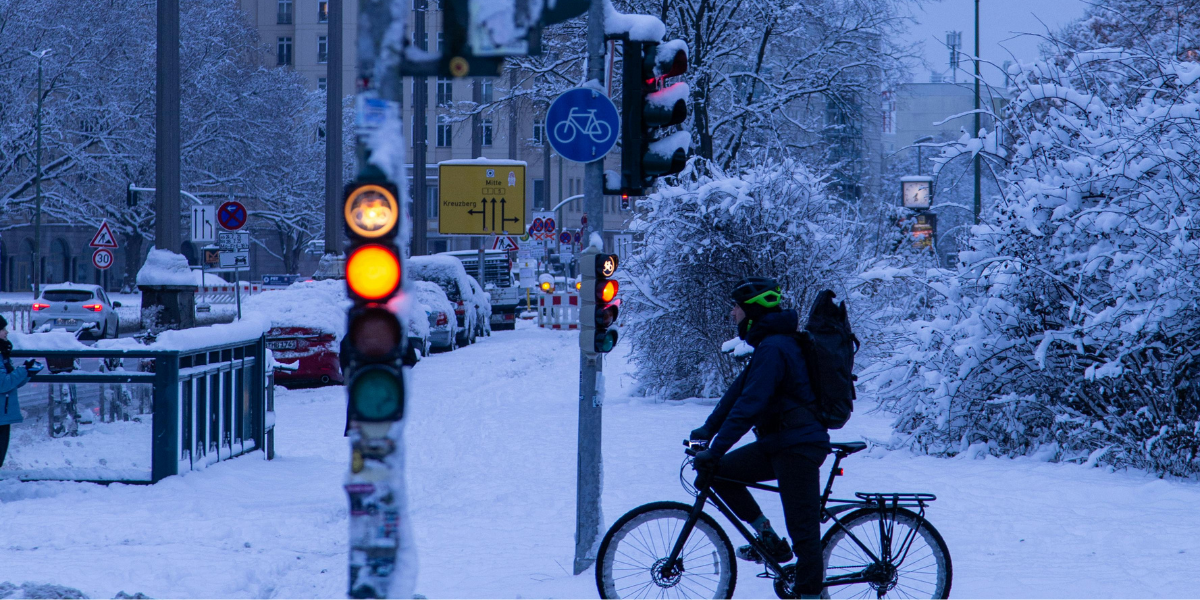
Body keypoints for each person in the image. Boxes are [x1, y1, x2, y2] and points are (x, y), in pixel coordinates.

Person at [689, 277, 830, 598]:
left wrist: (717, 447)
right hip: (781, 443)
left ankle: (808, 593)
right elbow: (737, 395)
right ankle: (766, 536)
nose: (733, 314)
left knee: (804, 532)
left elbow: (751, 405)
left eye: (736, 307)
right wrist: (706, 432)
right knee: (718, 473)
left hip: (798, 446)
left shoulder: (775, 348)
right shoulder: (770, 346)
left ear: (751, 311)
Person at [0, 315, 41, 468]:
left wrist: (27, 372)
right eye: (2, 329)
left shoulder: (2, 352)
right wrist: (24, 370)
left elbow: (10, 383)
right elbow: (3, 384)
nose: (6, 332)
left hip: (3, 415)